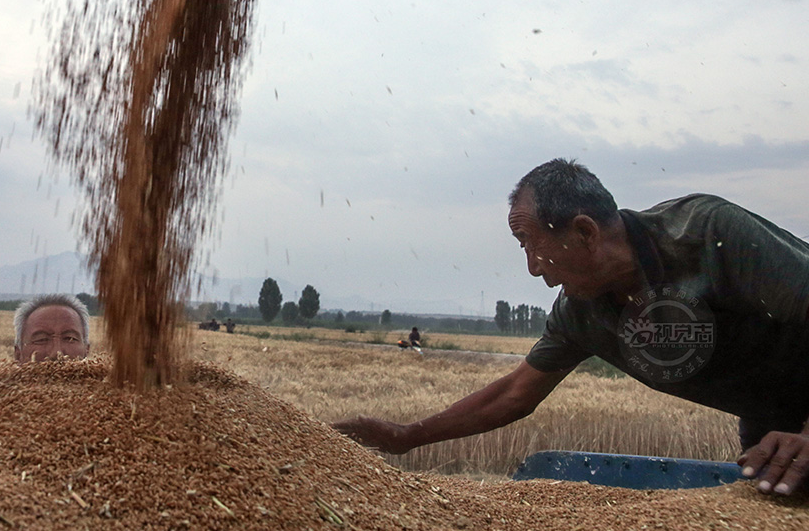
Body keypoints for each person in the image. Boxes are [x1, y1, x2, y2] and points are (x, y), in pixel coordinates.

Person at [335, 158, 809, 496]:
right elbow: (514, 394)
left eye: (531, 244)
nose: (533, 269)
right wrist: (405, 436)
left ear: (585, 232)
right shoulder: (581, 312)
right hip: (774, 426)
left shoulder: (705, 235)